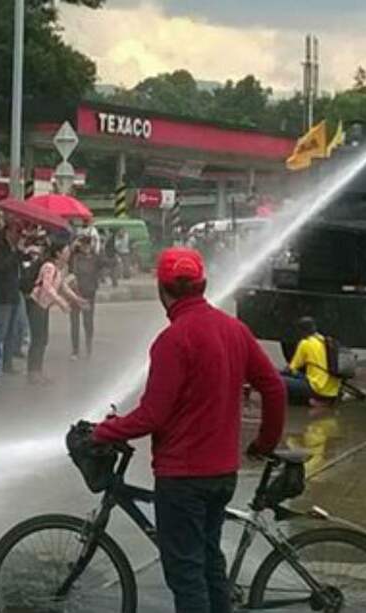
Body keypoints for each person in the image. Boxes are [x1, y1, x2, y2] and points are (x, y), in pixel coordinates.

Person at [92, 246, 287, 613]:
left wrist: (104, 432)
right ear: (204, 284)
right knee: (210, 565)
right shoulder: (235, 330)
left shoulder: (173, 340)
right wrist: (265, 442)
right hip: (222, 475)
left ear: (161, 289)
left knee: (186, 577)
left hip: (183, 478)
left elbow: (153, 415)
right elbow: (274, 387)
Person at [26, 242, 88, 385]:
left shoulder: (59, 269)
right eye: (66, 250)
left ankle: (38, 371)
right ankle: (33, 372)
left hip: (44, 305)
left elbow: (63, 287)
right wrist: (61, 303)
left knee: (43, 339)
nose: (68, 253)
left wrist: (77, 300)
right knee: (38, 338)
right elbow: (47, 287)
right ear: (58, 253)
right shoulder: (49, 267)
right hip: (36, 304)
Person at [280, 316, 341, 406]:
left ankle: (307, 402)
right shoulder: (325, 340)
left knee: (279, 380)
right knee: (300, 376)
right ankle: (324, 400)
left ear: (301, 331)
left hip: (318, 388)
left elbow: (290, 369)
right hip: (333, 391)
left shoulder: (305, 343)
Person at [0, 220, 22, 374]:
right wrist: (15, 252)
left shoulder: (15, 249)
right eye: (17, 232)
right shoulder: (0, 248)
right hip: (2, 295)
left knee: (12, 331)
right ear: (9, 232)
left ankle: (8, 365)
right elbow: (2, 266)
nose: (18, 236)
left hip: (14, 293)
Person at [69, 235, 101, 359]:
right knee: (75, 322)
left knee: (88, 322)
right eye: (83, 245)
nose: (86, 247)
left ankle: (89, 347)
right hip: (76, 292)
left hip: (89, 293)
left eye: (88, 244)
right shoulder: (75, 258)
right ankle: (75, 350)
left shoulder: (95, 258)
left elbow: (104, 263)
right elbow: (70, 266)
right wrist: (73, 247)